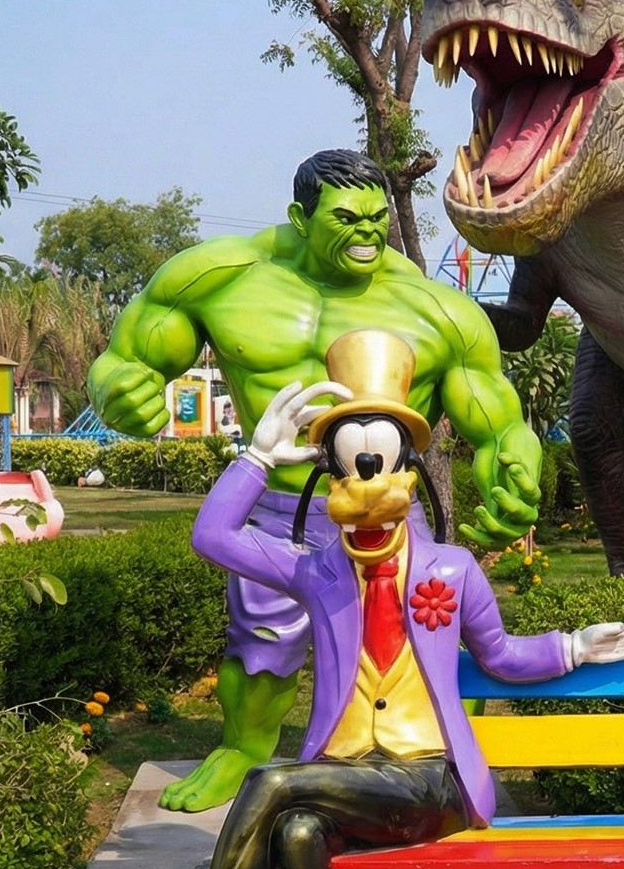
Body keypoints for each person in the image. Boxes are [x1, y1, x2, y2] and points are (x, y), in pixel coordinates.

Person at [87, 331, 624, 869]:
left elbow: (502, 656)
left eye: (378, 459)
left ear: (407, 473)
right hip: (347, 779)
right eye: (349, 461)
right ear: (331, 474)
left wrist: (574, 645)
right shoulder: (318, 571)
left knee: (273, 782)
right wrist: (257, 456)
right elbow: (212, 536)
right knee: (293, 826)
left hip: (432, 781)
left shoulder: (452, 570)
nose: (365, 476)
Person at [88, 150, 544, 813]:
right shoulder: (223, 278)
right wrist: (120, 390)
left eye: (375, 219)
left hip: (386, 512)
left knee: (412, 633)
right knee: (260, 644)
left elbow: (499, 419)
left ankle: (427, 754)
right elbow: (126, 358)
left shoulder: (433, 310)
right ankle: (244, 749)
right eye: (345, 219)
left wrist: (513, 467)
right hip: (277, 499)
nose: (366, 234)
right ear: (300, 217)